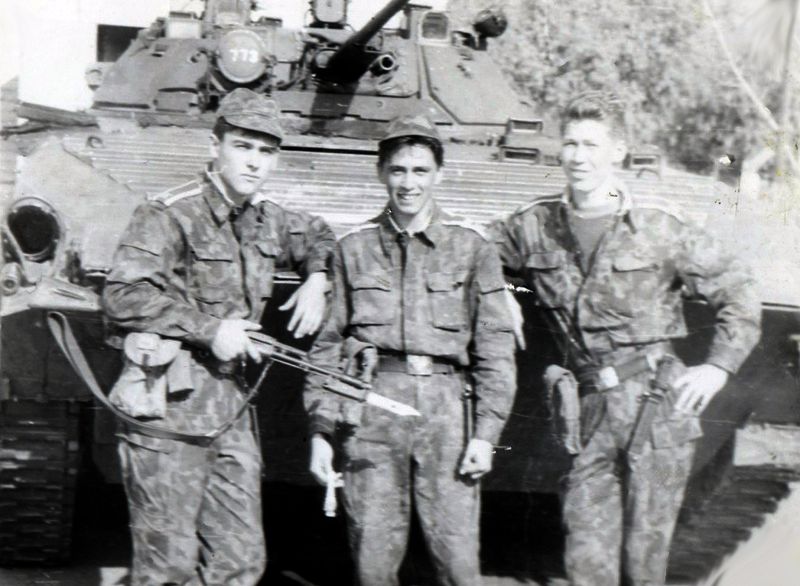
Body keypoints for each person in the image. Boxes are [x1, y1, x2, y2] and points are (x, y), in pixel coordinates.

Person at [490, 90, 761, 586]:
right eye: (571, 144)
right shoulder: (533, 226)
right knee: (585, 559)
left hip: (657, 409)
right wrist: (497, 288)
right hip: (587, 410)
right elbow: (470, 253)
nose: (578, 157)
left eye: (591, 145)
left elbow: (739, 288)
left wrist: (718, 366)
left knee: (645, 560)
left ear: (617, 151)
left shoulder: (658, 226)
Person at [102, 88, 336, 585]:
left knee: (240, 560)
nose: (254, 162)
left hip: (230, 405)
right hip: (169, 402)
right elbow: (121, 295)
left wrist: (317, 278)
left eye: (266, 151)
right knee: (167, 564)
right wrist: (211, 330)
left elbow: (320, 235)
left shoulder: (267, 220)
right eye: (243, 146)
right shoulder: (169, 213)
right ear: (216, 146)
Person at [303, 113, 517, 586]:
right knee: (373, 561)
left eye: (421, 171)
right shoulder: (353, 248)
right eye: (398, 170)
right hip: (372, 411)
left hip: (448, 415)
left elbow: (495, 348)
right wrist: (320, 429)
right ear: (381, 172)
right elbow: (328, 347)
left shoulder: (471, 247)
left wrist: (486, 433)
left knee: (458, 562)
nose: (408, 183)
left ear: (439, 174)